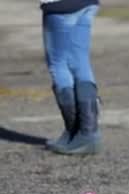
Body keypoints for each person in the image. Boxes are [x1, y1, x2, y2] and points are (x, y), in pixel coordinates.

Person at [41, 0, 101, 154]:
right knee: (80, 61)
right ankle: (87, 133)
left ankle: (76, 131)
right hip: (87, 3)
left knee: (58, 64)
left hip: (60, 5)